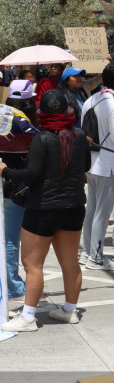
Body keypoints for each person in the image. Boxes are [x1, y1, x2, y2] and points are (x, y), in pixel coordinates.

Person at [0, 90, 91, 331]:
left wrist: (4, 170)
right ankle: (70, 311)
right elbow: (87, 166)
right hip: (73, 207)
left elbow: (31, 175)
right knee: (70, 262)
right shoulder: (80, 136)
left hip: (43, 209)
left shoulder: (42, 139)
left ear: (43, 114)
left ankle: (28, 317)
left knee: (32, 264)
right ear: (69, 112)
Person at [0, 80, 41, 306]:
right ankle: (13, 284)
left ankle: (11, 280)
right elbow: (42, 140)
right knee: (11, 239)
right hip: (16, 186)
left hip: (6, 184)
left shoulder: (3, 113)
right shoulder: (20, 121)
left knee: (10, 236)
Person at [80, 63, 114, 270]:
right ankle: (96, 256)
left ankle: (87, 252)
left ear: (102, 80)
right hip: (107, 164)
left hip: (91, 163)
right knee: (102, 210)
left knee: (92, 209)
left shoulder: (91, 99)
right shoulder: (112, 103)